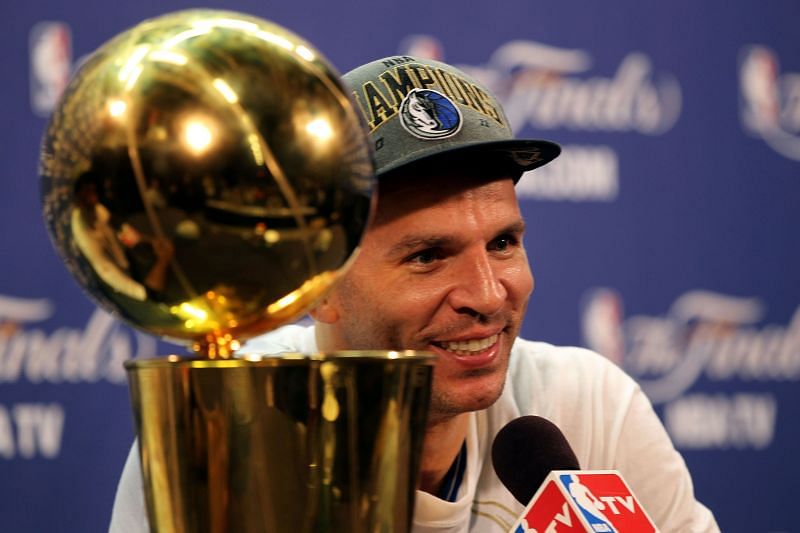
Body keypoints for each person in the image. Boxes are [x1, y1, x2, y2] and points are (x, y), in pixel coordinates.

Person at [109, 56, 719, 532]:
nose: (486, 294)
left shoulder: (592, 408)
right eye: (428, 256)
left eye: (504, 242)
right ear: (317, 286)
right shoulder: (226, 429)